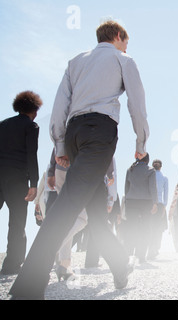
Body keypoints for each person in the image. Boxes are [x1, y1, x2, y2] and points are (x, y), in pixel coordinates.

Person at [9, 20, 149, 299]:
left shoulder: (75, 61)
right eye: (126, 41)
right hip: (99, 134)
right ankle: (28, 286)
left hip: (74, 134)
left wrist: (60, 142)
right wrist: (141, 141)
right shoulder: (124, 59)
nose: (126, 46)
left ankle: (120, 265)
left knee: (96, 212)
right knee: (68, 203)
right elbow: (137, 102)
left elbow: (61, 103)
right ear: (119, 36)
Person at [0, 91, 42, 275]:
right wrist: (34, 183)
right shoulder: (31, 126)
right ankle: (11, 265)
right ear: (34, 109)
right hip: (17, 179)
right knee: (16, 222)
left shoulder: (3, 124)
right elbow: (31, 154)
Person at [123, 154, 158, 264]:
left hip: (131, 201)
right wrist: (155, 202)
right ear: (147, 160)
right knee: (145, 229)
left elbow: (126, 187)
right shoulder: (151, 170)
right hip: (146, 202)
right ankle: (141, 256)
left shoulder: (130, 169)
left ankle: (128, 254)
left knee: (130, 228)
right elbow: (153, 187)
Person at [146, 159, 169, 260]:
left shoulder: (149, 176)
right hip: (160, 205)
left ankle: (150, 249)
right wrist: (164, 206)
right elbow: (166, 194)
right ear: (161, 166)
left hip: (150, 204)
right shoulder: (164, 178)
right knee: (158, 228)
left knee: (149, 227)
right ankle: (154, 249)